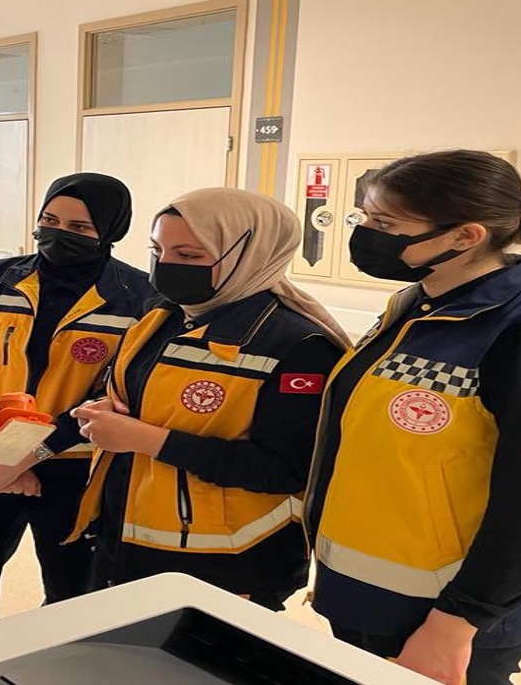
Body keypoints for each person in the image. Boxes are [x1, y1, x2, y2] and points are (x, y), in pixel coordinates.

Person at [302, 150, 521, 685]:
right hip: (366, 590)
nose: (366, 234)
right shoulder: (416, 306)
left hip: (448, 613)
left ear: (465, 237)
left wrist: (459, 620)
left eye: (386, 224)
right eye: (365, 217)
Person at [65, 187, 350, 610]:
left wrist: (147, 439)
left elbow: (286, 470)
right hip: (128, 539)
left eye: (189, 255)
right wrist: (109, 408)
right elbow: (140, 397)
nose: (166, 266)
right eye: (157, 250)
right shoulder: (162, 317)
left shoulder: (298, 346)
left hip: (229, 564)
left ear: (250, 254)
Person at [0, 173, 154, 604]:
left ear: (110, 232)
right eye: (49, 220)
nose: (58, 233)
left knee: (73, 594)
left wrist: (31, 453)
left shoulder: (139, 298)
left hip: (76, 470)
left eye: (79, 227)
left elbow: (120, 397)